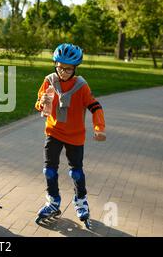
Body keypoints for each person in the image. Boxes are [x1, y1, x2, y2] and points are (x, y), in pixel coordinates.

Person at [34, 43, 106, 228]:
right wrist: (41, 103)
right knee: (49, 170)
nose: (63, 72)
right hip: (53, 132)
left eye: (68, 69)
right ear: (55, 64)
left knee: (76, 171)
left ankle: (80, 200)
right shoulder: (49, 80)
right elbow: (39, 104)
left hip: (75, 136)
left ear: (75, 68)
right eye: (60, 67)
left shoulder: (81, 86)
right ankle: (53, 201)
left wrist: (99, 127)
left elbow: (94, 106)